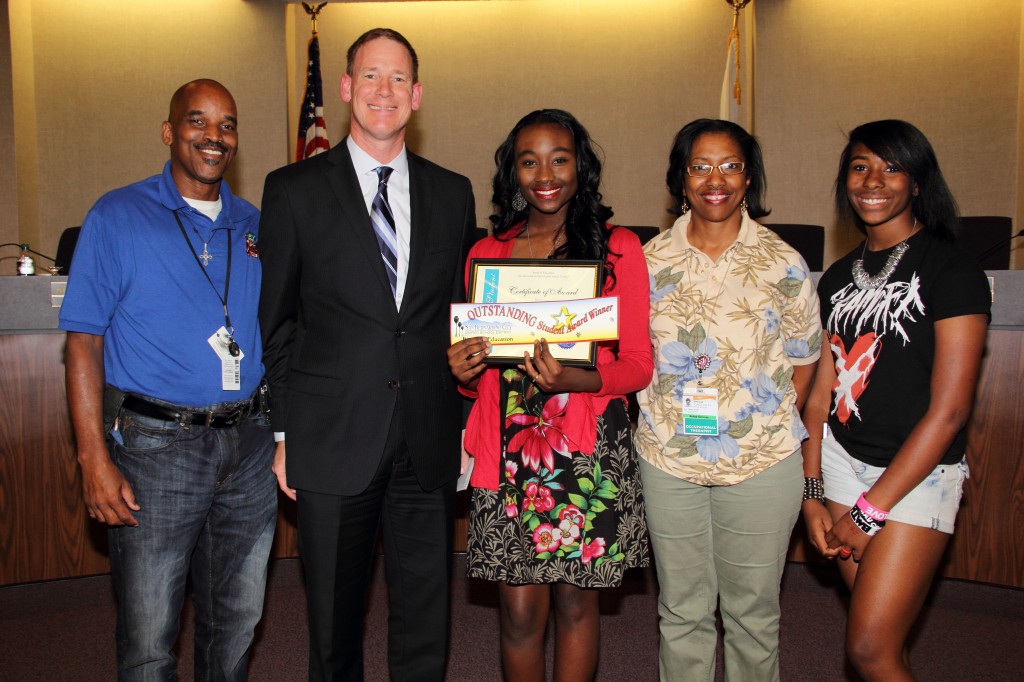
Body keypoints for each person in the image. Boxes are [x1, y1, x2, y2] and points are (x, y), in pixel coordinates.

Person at [257, 28, 476, 681]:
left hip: (428, 439)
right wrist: (283, 431)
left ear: (418, 94)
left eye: (399, 78)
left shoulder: (453, 192)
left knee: (425, 622)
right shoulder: (292, 189)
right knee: (332, 627)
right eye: (371, 76)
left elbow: (458, 317)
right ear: (347, 88)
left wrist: (464, 421)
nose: (385, 90)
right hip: (330, 437)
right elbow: (277, 321)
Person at [59, 79, 276, 681]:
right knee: (151, 636)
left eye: (227, 124)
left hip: (250, 447)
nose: (214, 136)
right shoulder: (117, 215)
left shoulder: (254, 224)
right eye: (198, 122)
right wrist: (93, 458)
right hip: (156, 449)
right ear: (169, 131)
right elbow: (82, 344)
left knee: (236, 622)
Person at [448, 109, 652, 682]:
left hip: (584, 445)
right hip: (506, 447)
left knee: (575, 602)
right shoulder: (485, 253)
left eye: (560, 158)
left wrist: (577, 380)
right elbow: (477, 373)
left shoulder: (618, 248)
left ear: (580, 167)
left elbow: (638, 364)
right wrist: (463, 369)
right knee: (516, 612)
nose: (545, 172)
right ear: (512, 171)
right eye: (528, 159)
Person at [800, 120, 990, 681]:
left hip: (915, 475)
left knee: (867, 647)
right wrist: (811, 493)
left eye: (891, 167)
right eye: (860, 167)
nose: (873, 181)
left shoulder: (951, 270)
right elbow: (819, 396)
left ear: (917, 182)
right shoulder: (835, 279)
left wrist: (870, 511)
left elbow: (951, 411)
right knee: (884, 638)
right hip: (839, 466)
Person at [636, 118, 822, 681]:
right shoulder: (646, 261)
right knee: (681, 611)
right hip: (669, 460)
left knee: (753, 615)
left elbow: (805, 364)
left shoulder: (782, 262)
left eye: (731, 166)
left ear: (749, 178)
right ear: (680, 179)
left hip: (762, 463)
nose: (715, 180)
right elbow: (629, 359)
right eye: (700, 166)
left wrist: (759, 421)